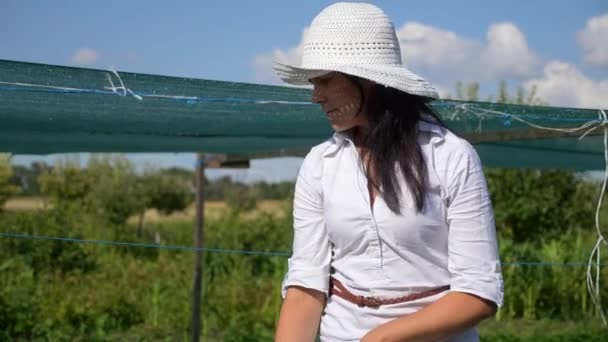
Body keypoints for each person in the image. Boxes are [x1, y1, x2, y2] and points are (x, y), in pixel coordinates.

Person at [273, 3, 503, 342]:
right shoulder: (320, 164)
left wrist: (381, 337)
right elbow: (305, 287)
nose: (315, 96)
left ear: (368, 81)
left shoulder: (451, 156)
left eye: (324, 80)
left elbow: (480, 292)